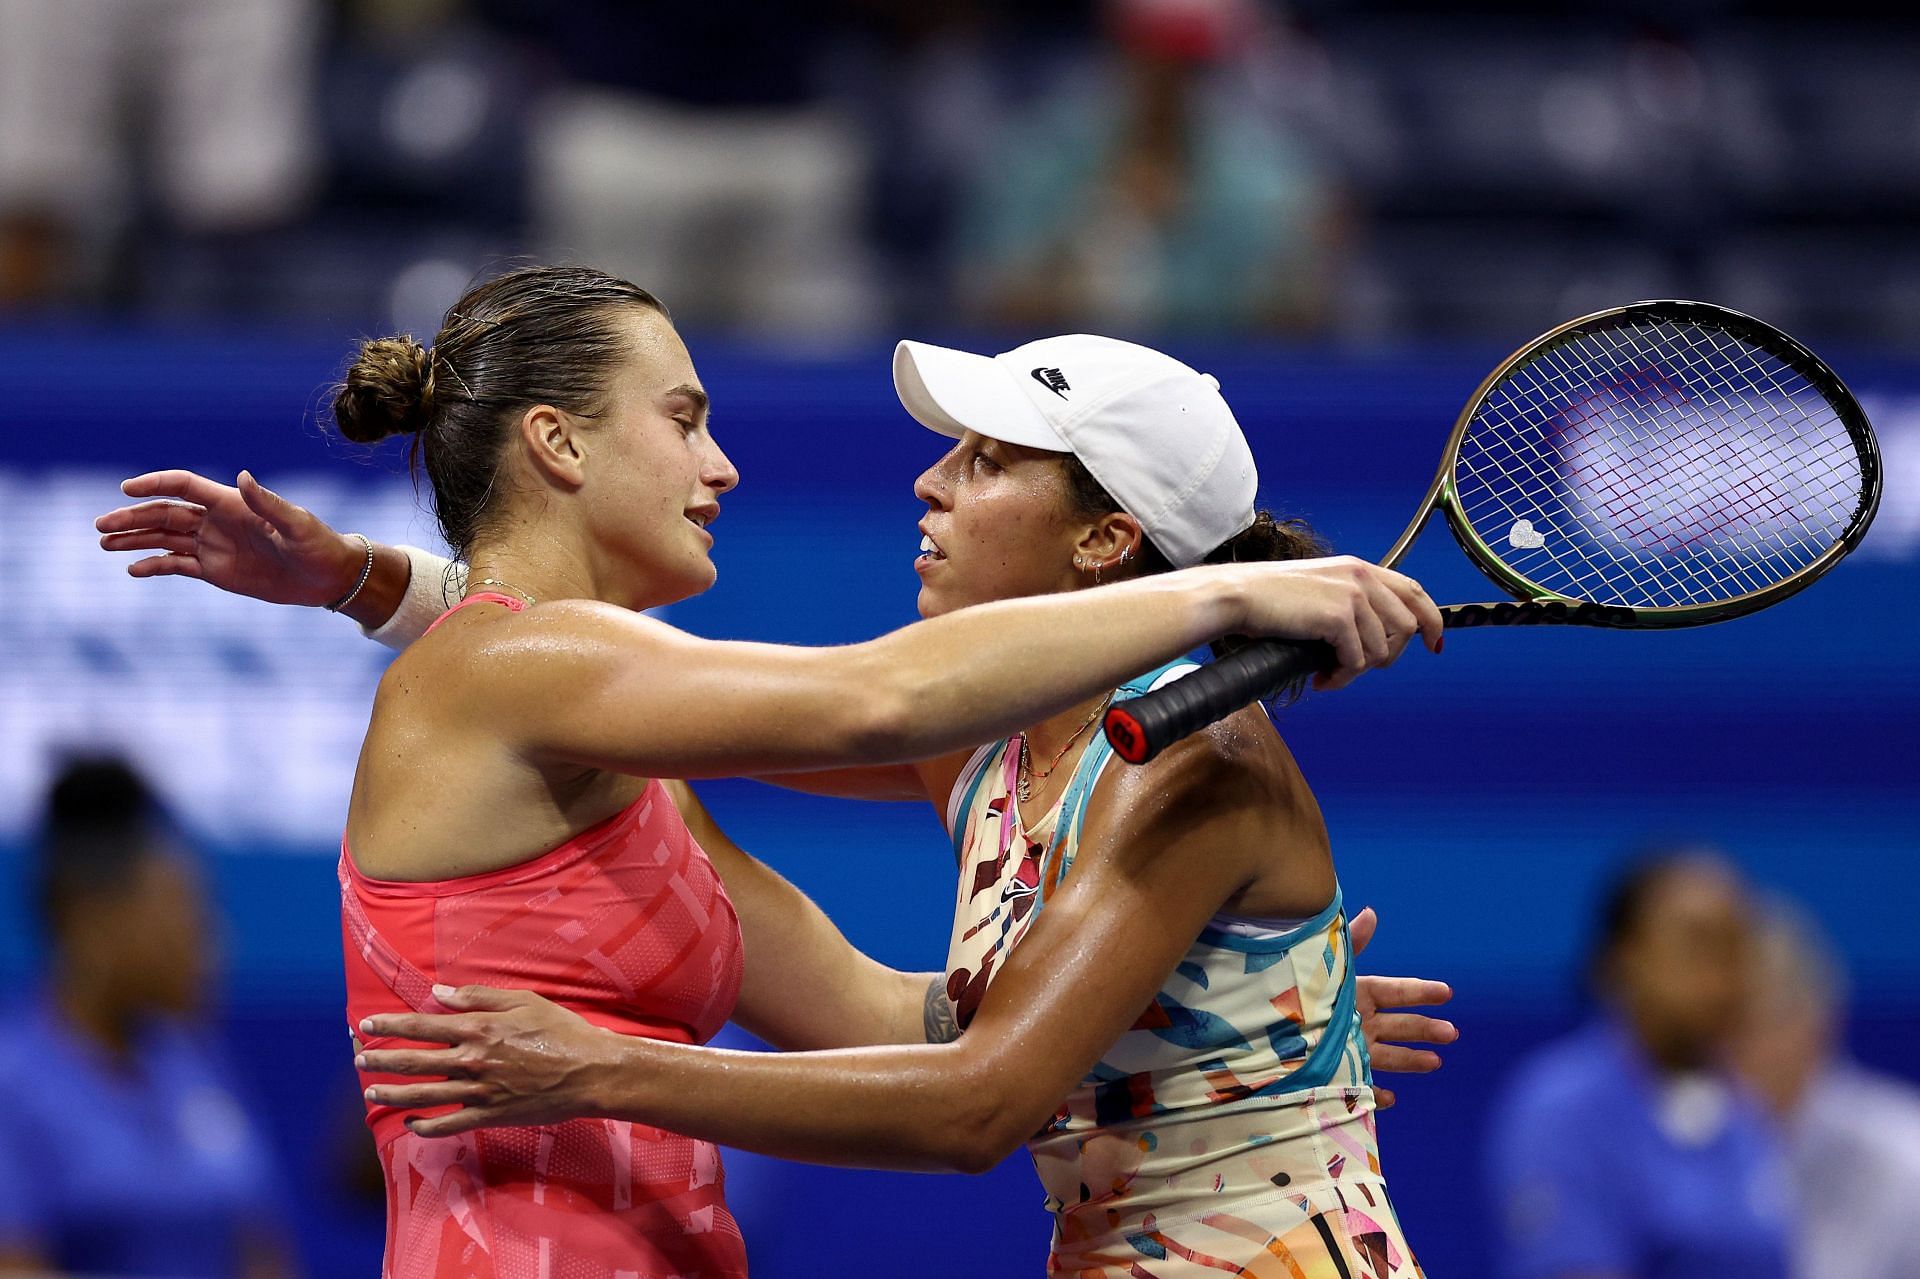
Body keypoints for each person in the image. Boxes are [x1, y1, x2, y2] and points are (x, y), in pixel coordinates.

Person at [97, 265, 1443, 1278]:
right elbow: (865, 695)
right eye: (684, 419)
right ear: (558, 445)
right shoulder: (518, 670)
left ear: (1106, 537)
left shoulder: (636, 756)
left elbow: (919, 1030)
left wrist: (1196, 1034)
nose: (724, 462)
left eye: (983, 458)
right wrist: (1232, 598)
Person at [0, 757, 297, 1278]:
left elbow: (261, 1250)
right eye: (185, 914)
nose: (210, 945)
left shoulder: (194, 1063)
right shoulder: (13, 1084)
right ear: (91, 919)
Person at [1485, 851, 1793, 1279]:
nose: (1724, 975)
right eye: (1698, 944)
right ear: (1624, 958)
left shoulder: (1745, 1112)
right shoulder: (1561, 1110)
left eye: (1737, 947)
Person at [1732, 899, 1920, 1279]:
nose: (1723, 1049)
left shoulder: (1907, 1156)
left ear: (1813, 1019)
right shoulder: (1665, 1147)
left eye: (1743, 1022)